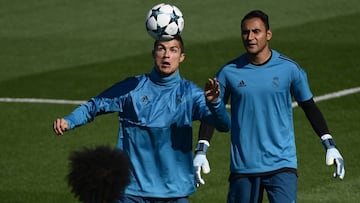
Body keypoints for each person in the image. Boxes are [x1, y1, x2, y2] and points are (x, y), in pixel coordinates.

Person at [53, 35, 230, 203]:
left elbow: (224, 125)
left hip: (175, 191)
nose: (166, 55)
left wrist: (214, 103)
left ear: (181, 57)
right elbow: (94, 106)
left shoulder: (191, 93)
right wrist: (70, 121)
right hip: (132, 191)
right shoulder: (132, 88)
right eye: (161, 49)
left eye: (173, 50)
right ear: (153, 54)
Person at [200, 10, 345, 203]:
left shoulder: (289, 69)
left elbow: (309, 107)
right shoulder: (229, 72)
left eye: (256, 31)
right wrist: (201, 150)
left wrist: (330, 145)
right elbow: (212, 109)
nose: (250, 37)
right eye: (245, 32)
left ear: (268, 34)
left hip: (282, 165)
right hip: (244, 168)